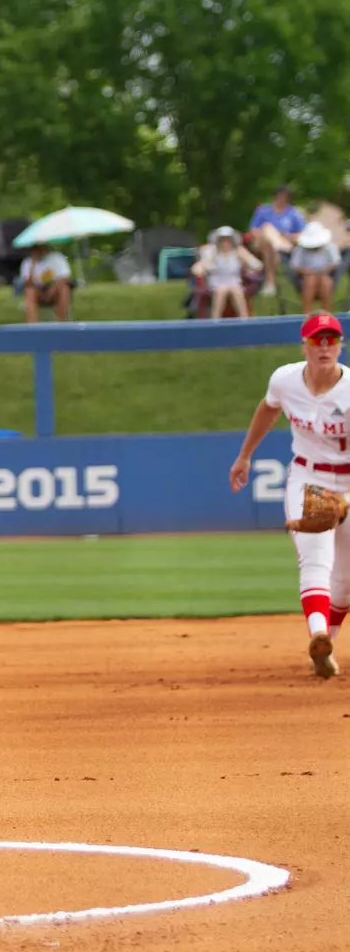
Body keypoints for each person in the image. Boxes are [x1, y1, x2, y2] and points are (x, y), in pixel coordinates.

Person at [230, 314, 350, 678]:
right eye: (318, 340)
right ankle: (317, 633)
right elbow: (268, 408)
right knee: (314, 559)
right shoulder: (285, 379)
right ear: (305, 346)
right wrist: (245, 455)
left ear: (341, 345)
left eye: (332, 339)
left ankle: (324, 646)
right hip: (307, 475)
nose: (325, 347)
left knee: (345, 580)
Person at [191, 227, 261, 320]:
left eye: (228, 240)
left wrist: (245, 260)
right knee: (222, 291)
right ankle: (215, 320)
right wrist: (206, 263)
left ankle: (245, 319)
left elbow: (257, 265)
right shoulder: (212, 252)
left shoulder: (238, 251)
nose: (225, 243)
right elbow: (196, 269)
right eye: (222, 240)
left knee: (236, 290)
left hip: (235, 283)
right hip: (216, 284)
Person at [249, 185, 307, 296]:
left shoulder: (294, 213)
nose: (282, 199)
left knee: (270, 246)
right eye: (279, 196)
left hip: (285, 243)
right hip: (262, 242)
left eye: (285, 196)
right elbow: (253, 230)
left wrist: (285, 236)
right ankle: (275, 245)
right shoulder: (263, 211)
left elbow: (301, 235)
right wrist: (270, 235)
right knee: (267, 229)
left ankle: (270, 282)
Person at [291, 221, 341, 314]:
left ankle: (326, 314)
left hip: (325, 275)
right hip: (306, 276)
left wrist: (322, 271)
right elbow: (295, 266)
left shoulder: (330, 247)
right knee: (310, 281)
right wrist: (308, 271)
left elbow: (335, 263)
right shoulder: (300, 249)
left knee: (325, 282)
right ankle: (307, 314)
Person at [17, 242, 73, 323]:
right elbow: (28, 283)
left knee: (64, 289)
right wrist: (33, 263)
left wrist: (53, 288)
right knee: (29, 291)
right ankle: (33, 325)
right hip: (38, 292)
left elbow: (65, 277)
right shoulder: (27, 262)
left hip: (55, 291)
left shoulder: (57, 258)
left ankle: (61, 322)